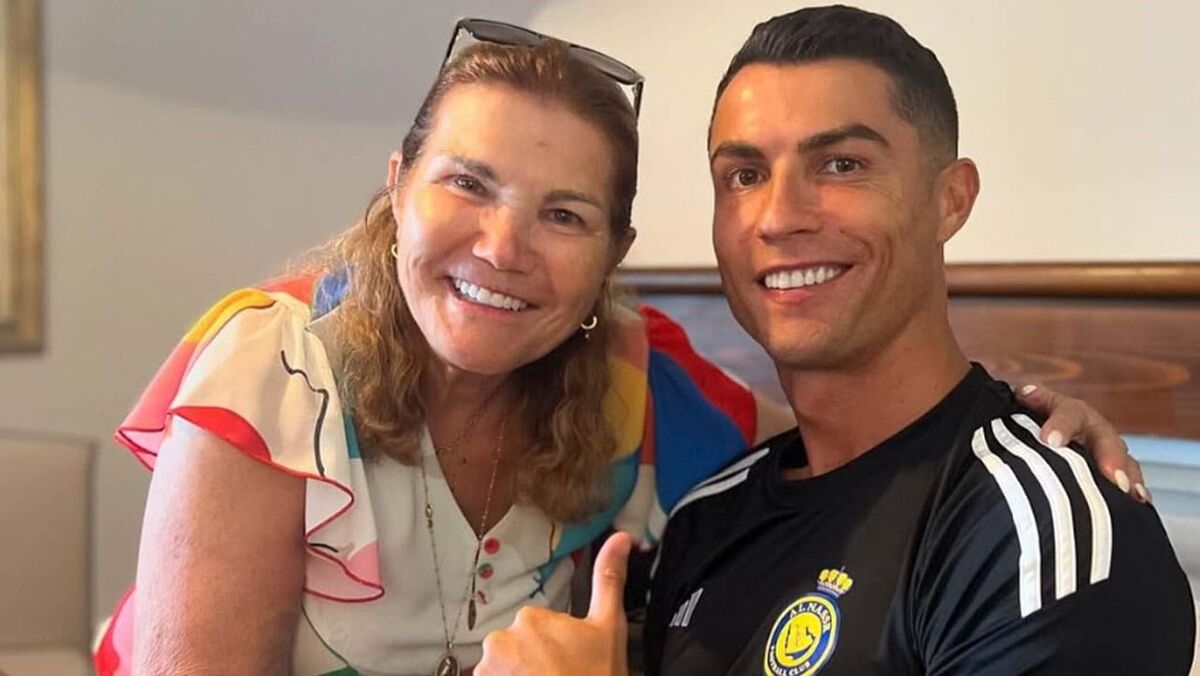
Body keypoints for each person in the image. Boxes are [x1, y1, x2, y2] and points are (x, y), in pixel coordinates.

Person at [93, 16, 1144, 676]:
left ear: (611, 256)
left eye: (564, 214)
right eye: (467, 183)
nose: (502, 248)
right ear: (399, 188)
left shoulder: (639, 391)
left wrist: (1017, 420)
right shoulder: (276, 375)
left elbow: (852, 447)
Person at [475, 6, 1195, 676]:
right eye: (745, 175)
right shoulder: (702, 517)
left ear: (951, 199)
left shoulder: (1037, 535)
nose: (779, 216)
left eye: (842, 165)